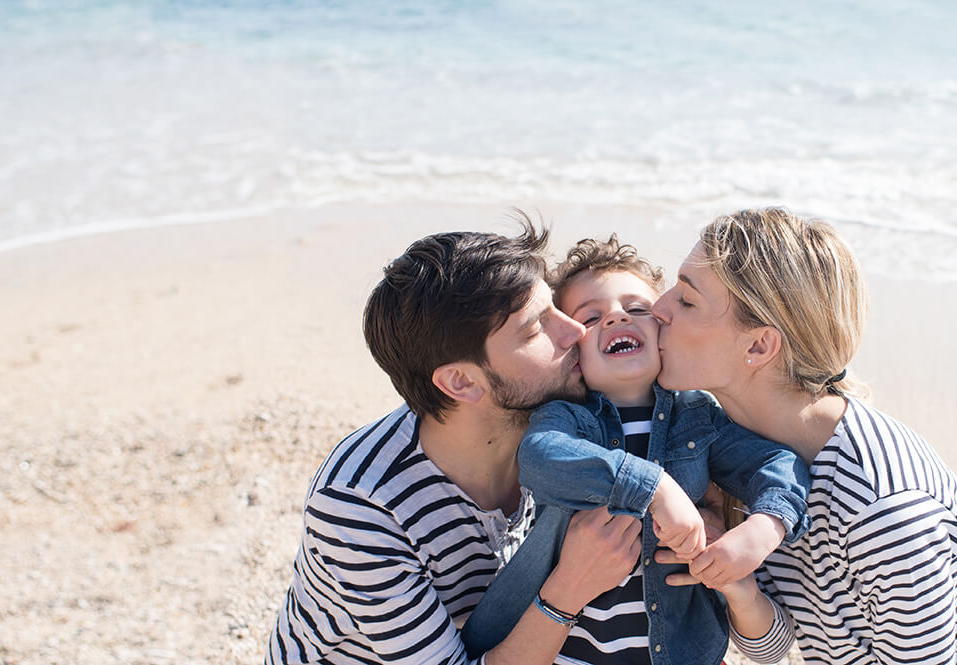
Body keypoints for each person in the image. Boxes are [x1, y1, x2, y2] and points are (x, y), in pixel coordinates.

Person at [265, 221, 645, 665]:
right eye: (535, 329)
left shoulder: (552, 419)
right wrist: (569, 588)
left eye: (555, 308)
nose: (574, 332)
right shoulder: (362, 506)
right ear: (461, 381)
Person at [460, 235, 812, 665]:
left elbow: (776, 462)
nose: (615, 318)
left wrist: (765, 528)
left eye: (638, 309)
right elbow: (539, 458)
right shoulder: (568, 421)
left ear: (663, 329)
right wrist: (654, 487)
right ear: (572, 350)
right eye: (590, 317)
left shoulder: (697, 418)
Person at [651, 208, 957, 664]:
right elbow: (779, 648)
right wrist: (736, 587)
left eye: (687, 301)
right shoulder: (732, 447)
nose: (658, 307)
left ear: (758, 346)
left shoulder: (884, 513)